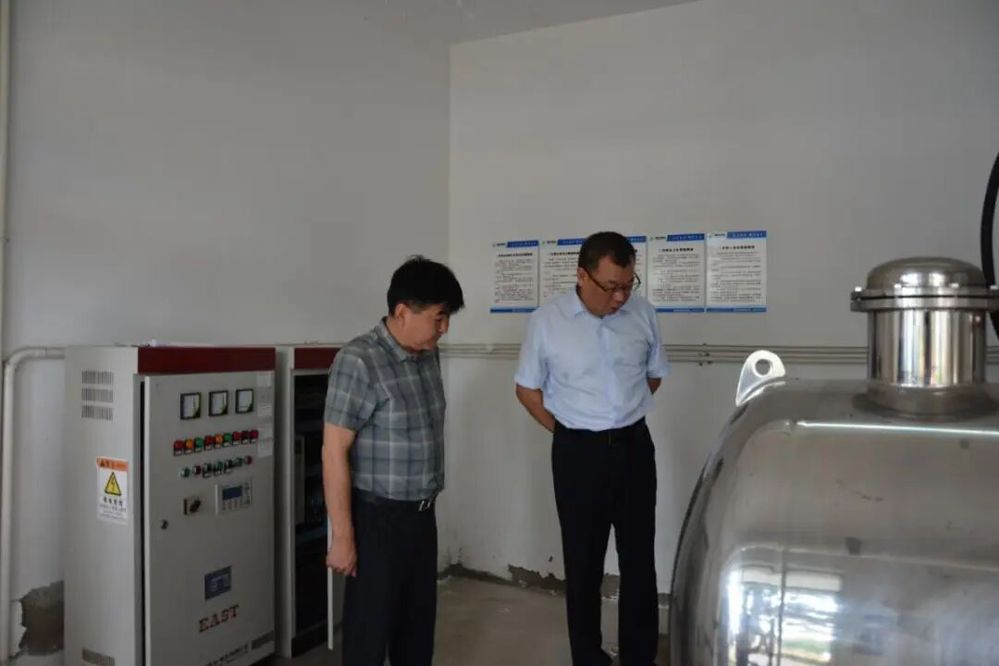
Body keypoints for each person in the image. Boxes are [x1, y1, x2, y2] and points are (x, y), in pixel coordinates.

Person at [515, 231, 668, 666]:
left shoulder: (643, 314)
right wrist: (568, 430)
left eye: (628, 285)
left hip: (634, 448)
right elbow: (527, 389)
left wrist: (621, 415)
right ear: (582, 275)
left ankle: (639, 656)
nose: (620, 297)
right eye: (611, 286)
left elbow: (653, 375)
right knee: (583, 562)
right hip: (578, 454)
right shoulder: (547, 321)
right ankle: (588, 656)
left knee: (639, 558)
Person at [322, 255, 464, 666]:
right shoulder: (359, 361)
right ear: (402, 312)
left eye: (448, 318)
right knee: (369, 634)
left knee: (416, 631)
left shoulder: (427, 354)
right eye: (438, 318)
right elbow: (333, 451)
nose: (444, 328)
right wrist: (343, 538)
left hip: (421, 517)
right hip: (377, 521)